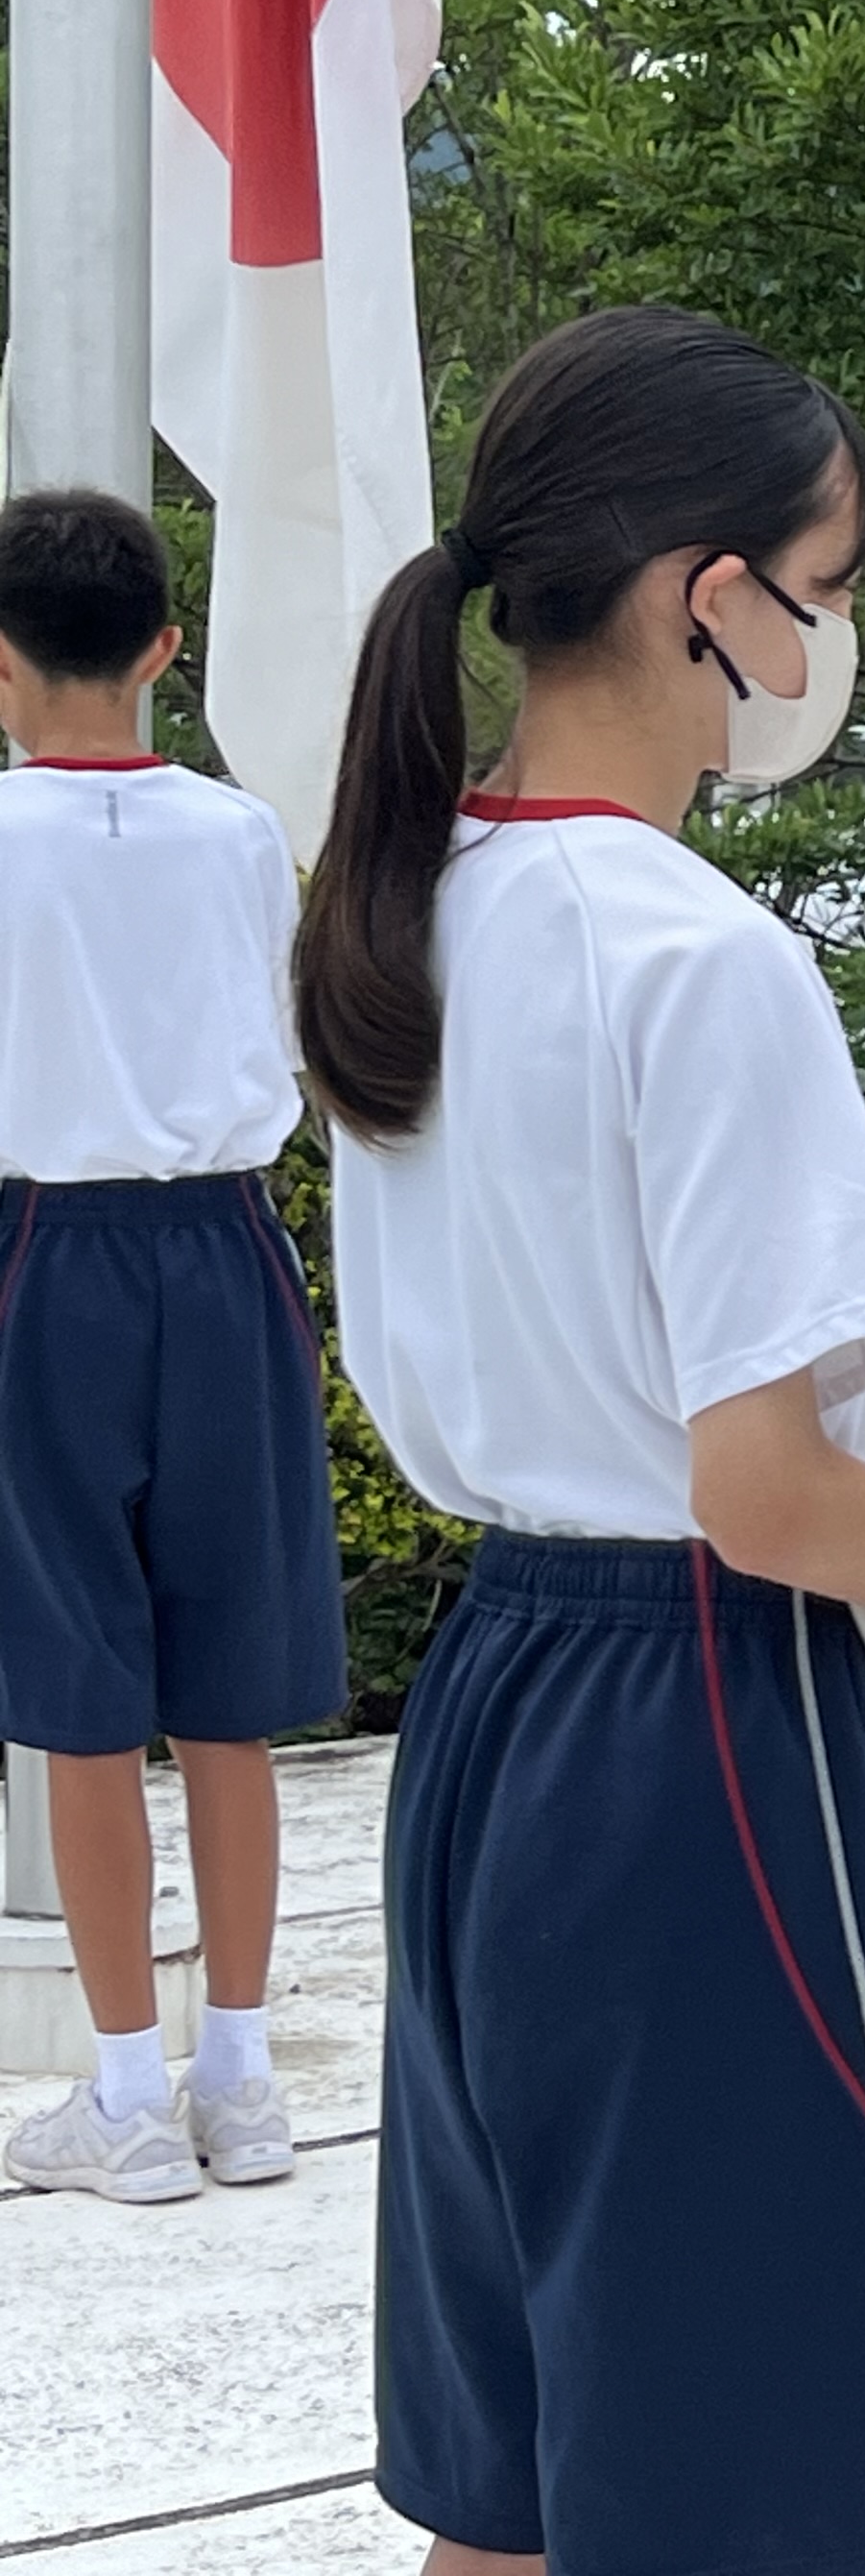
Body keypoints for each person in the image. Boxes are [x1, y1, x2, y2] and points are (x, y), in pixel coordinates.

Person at [300, 306, 865, 2576]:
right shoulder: (696, 959)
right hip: (708, 1719)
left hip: (497, 1706)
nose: (834, 633)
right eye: (830, 581)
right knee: (738, 2471)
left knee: (511, 2457)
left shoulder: (413, 904)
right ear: (716, 598)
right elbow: (762, 1485)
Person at [0, 488, 342, 2206]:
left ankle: (128, 2095)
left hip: (42, 1248)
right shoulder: (241, 832)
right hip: (227, 1246)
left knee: (79, 1689)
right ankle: (243, 2076)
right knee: (231, 1686)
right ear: (164, 648)